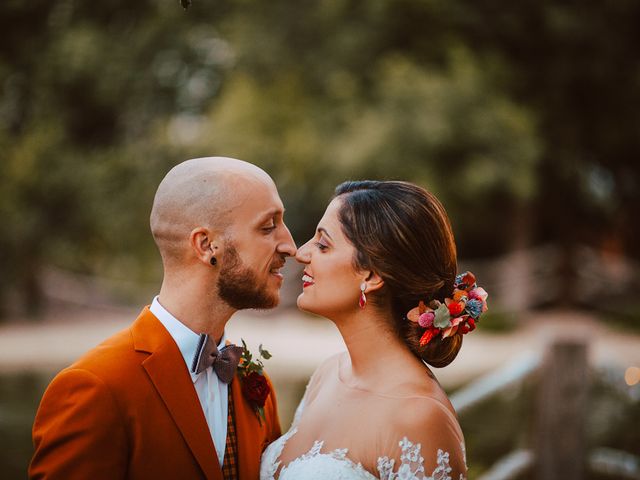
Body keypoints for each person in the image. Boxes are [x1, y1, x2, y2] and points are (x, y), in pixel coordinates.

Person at [30, 157, 297, 480]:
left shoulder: (254, 383)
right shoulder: (95, 387)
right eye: (268, 227)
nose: (290, 246)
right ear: (206, 245)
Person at [261, 180, 488, 480]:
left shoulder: (419, 417)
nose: (301, 253)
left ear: (371, 274)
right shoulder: (328, 374)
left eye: (323, 245)